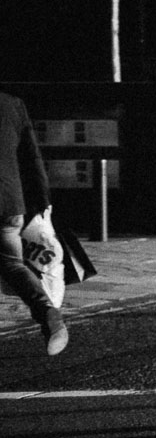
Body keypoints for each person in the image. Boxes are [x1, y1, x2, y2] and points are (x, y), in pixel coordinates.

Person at [0, 90, 67, 355]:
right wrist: (42, 202)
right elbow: (32, 157)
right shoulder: (13, 104)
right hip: (9, 201)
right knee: (13, 265)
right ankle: (48, 313)